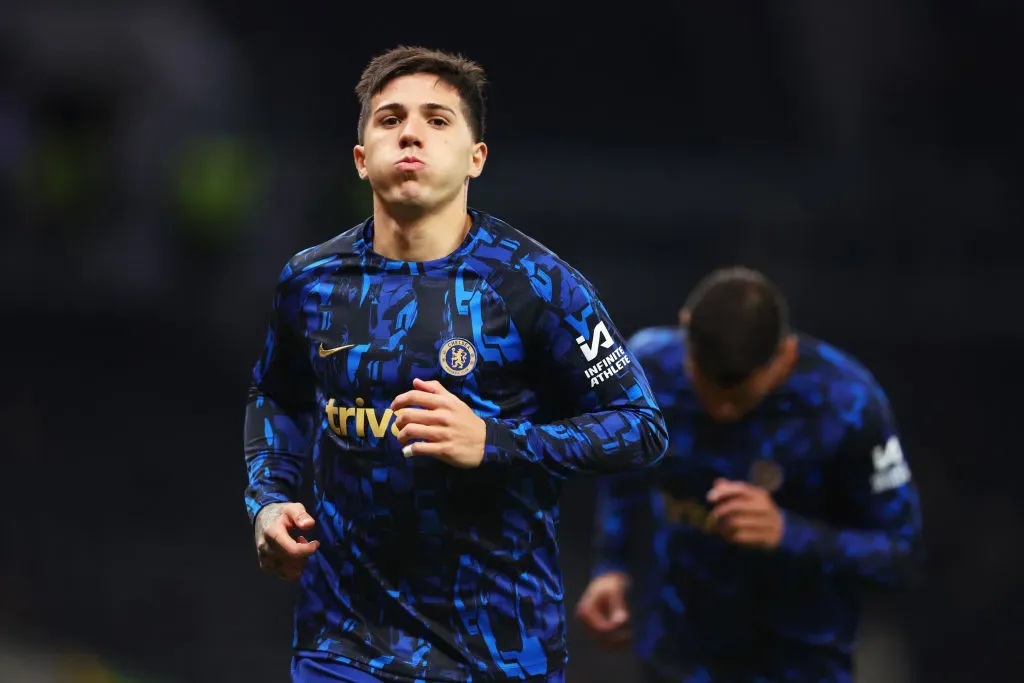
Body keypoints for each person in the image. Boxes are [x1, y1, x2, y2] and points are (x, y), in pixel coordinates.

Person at [242, 45, 668, 683]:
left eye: (437, 120)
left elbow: (640, 427)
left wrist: (495, 441)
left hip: (497, 653)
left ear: (477, 157)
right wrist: (270, 501)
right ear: (362, 159)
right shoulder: (310, 281)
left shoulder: (535, 284)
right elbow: (275, 398)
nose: (410, 131)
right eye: (389, 119)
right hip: (342, 647)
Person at [575, 266, 924, 683]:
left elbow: (901, 555)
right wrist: (611, 567)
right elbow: (626, 472)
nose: (721, 410)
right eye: (706, 386)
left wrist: (788, 533)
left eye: (740, 397)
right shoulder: (647, 368)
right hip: (678, 658)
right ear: (685, 332)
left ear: (785, 357)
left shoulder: (848, 405)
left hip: (799, 664)